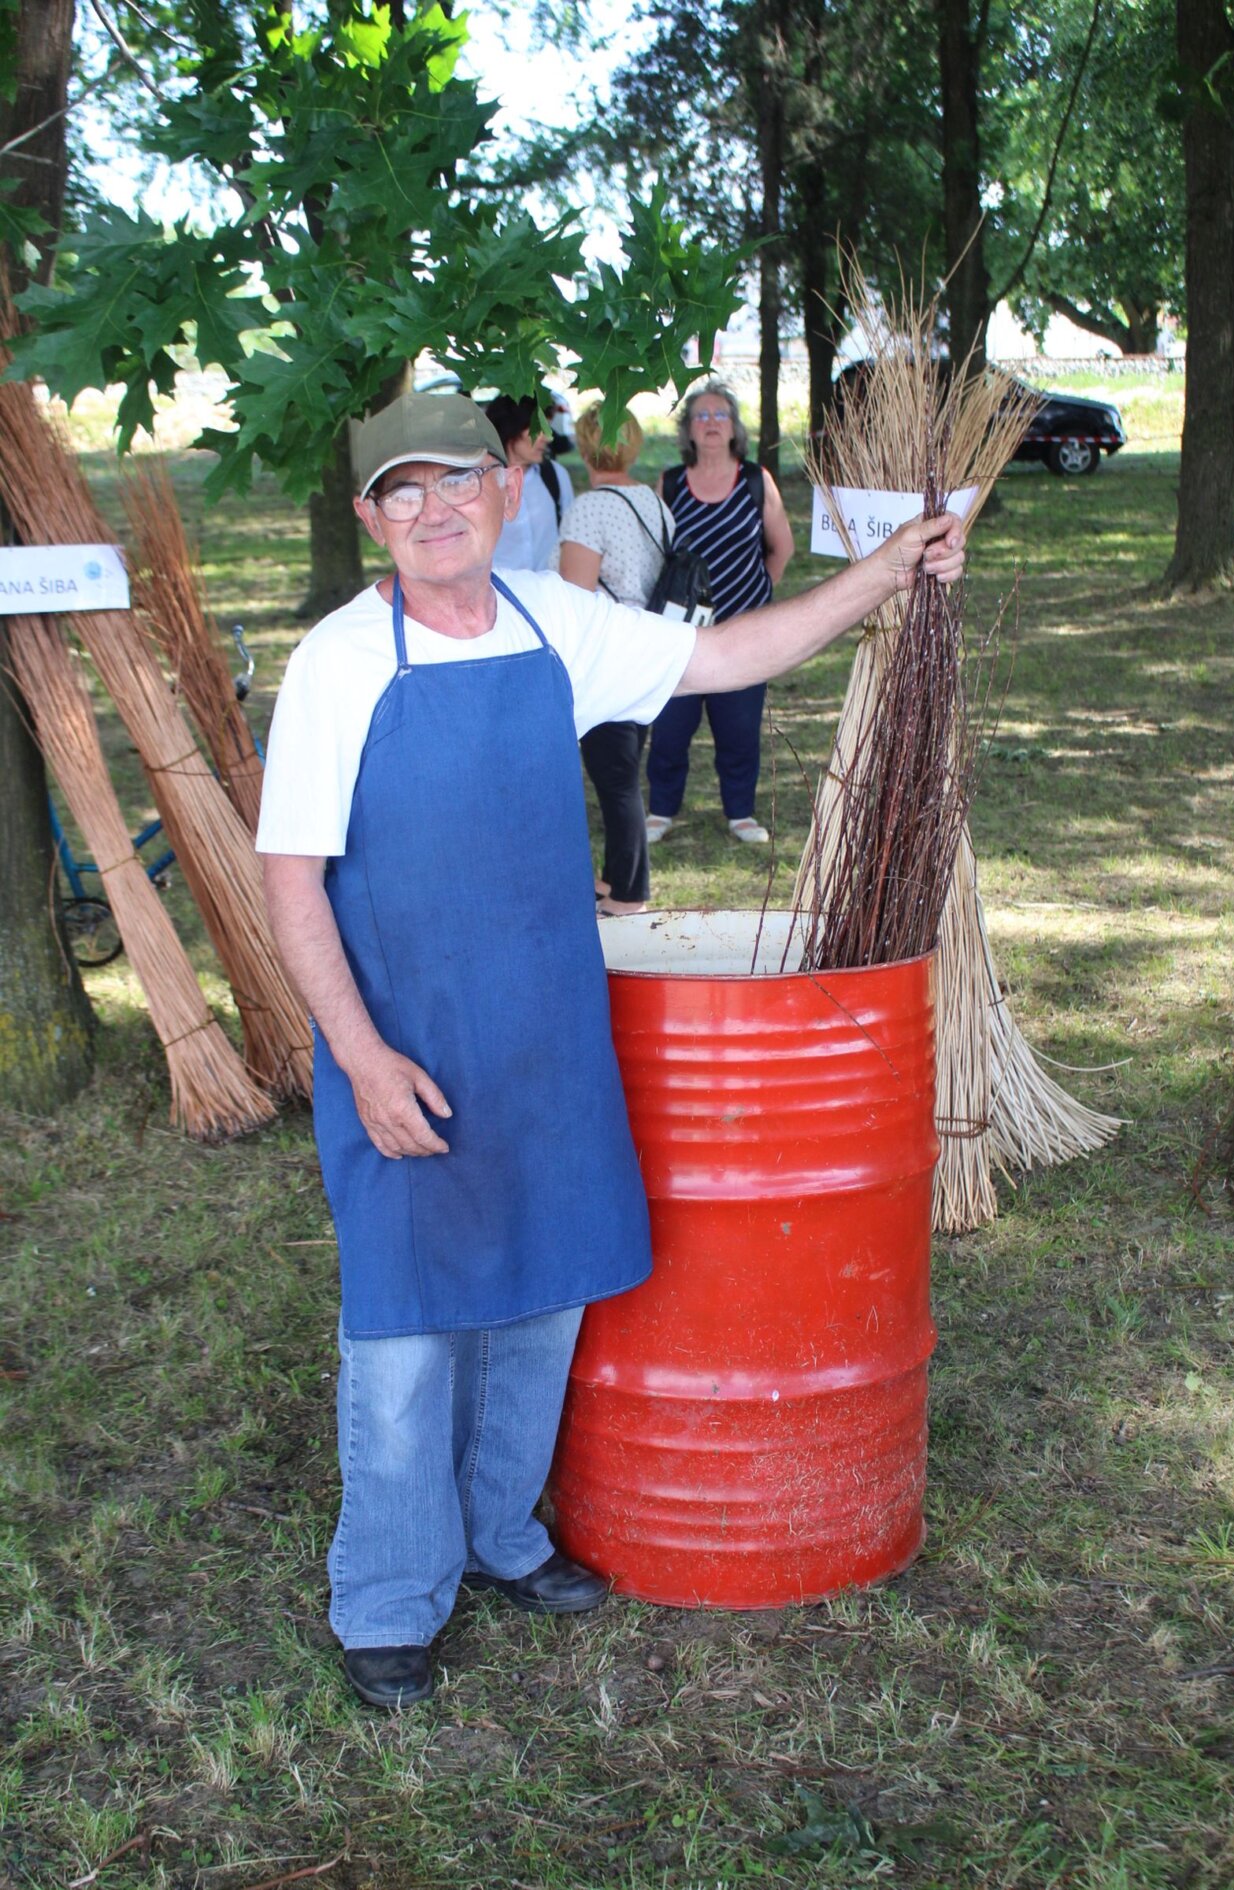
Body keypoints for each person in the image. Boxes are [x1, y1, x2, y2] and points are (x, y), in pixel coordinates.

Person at [257, 388, 965, 1711]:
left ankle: (501, 1531)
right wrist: (357, 1055)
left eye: (453, 482)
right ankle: (391, 1596)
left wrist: (881, 573)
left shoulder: (553, 623)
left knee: (541, 1295)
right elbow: (290, 879)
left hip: (545, 1037)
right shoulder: (340, 663)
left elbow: (728, 659)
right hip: (405, 1044)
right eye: (399, 493)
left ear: (502, 488)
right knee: (408, 1329)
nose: (433, 511)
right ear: (369, 518)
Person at [645, 380, 796, 846]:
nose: (710, 424)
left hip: (743, 635)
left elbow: (782, 548)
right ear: (688, 430)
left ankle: (741, 813)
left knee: (739, 728)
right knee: (669, 729)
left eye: (720, 416)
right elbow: (655, 552)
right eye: (701, 416)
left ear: (734, 429)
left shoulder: (755, 480)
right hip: (682, 634)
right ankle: (661, 810)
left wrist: (756, 596)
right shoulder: (670, 483)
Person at [557, 403, 675, 917]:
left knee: (616, 777)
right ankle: (620, 879)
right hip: (647, 647)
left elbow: (574, 595)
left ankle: (628, 893)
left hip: (604, 654)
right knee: (624, 770)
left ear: (586, 445)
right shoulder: (654, 502)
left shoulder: (590, 507)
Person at [484, 393, 574, 571]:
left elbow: (571, 538)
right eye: (538, 429)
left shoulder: (555, 475)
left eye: (547, 429)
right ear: (512, 429)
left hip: (548, 594)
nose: (547, 438)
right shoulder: (480, 481)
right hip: (499, 595)